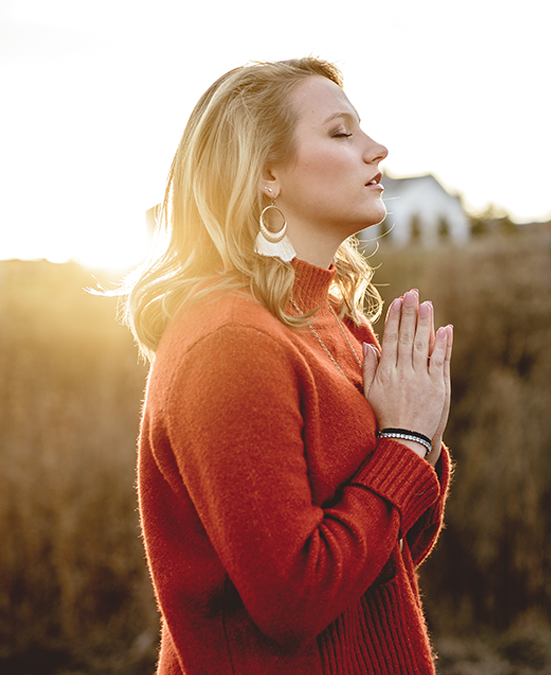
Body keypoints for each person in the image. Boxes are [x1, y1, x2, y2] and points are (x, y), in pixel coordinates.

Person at [118, 57, 453, 673]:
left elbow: (393, 555)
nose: (377, 149)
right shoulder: (229, 344)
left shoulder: (330, 321)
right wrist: (404, 442)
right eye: (340, 133)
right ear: (267, 172)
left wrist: (420, 435)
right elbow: (294, 599)